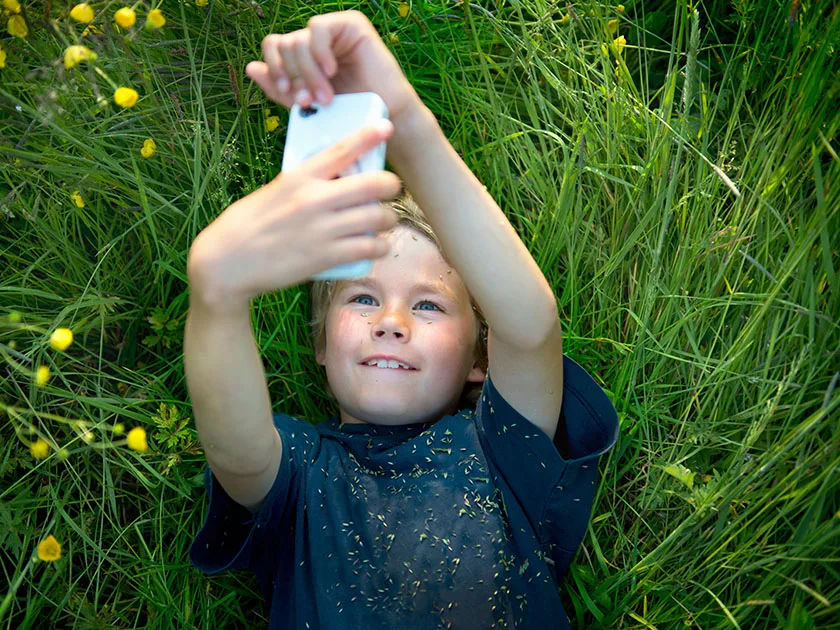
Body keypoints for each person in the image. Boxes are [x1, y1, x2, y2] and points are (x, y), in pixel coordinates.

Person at [183, 10, 619, 629]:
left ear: (479, 360)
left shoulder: (501, 449)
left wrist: (407, 125)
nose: (391, 321)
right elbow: (234, 447)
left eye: (429, 305)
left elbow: (530, 324)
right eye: (362, 298)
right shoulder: (301, 475)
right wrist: (217, 296)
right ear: (321, 345)